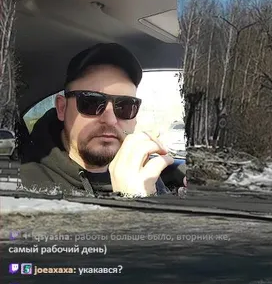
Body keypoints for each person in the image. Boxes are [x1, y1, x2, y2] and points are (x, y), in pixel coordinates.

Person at [21, 43, 175, 198]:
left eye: (125, 106)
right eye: (91, 103)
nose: (110, 120)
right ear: (62, 108)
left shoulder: (142, 171)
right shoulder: (26, 184)